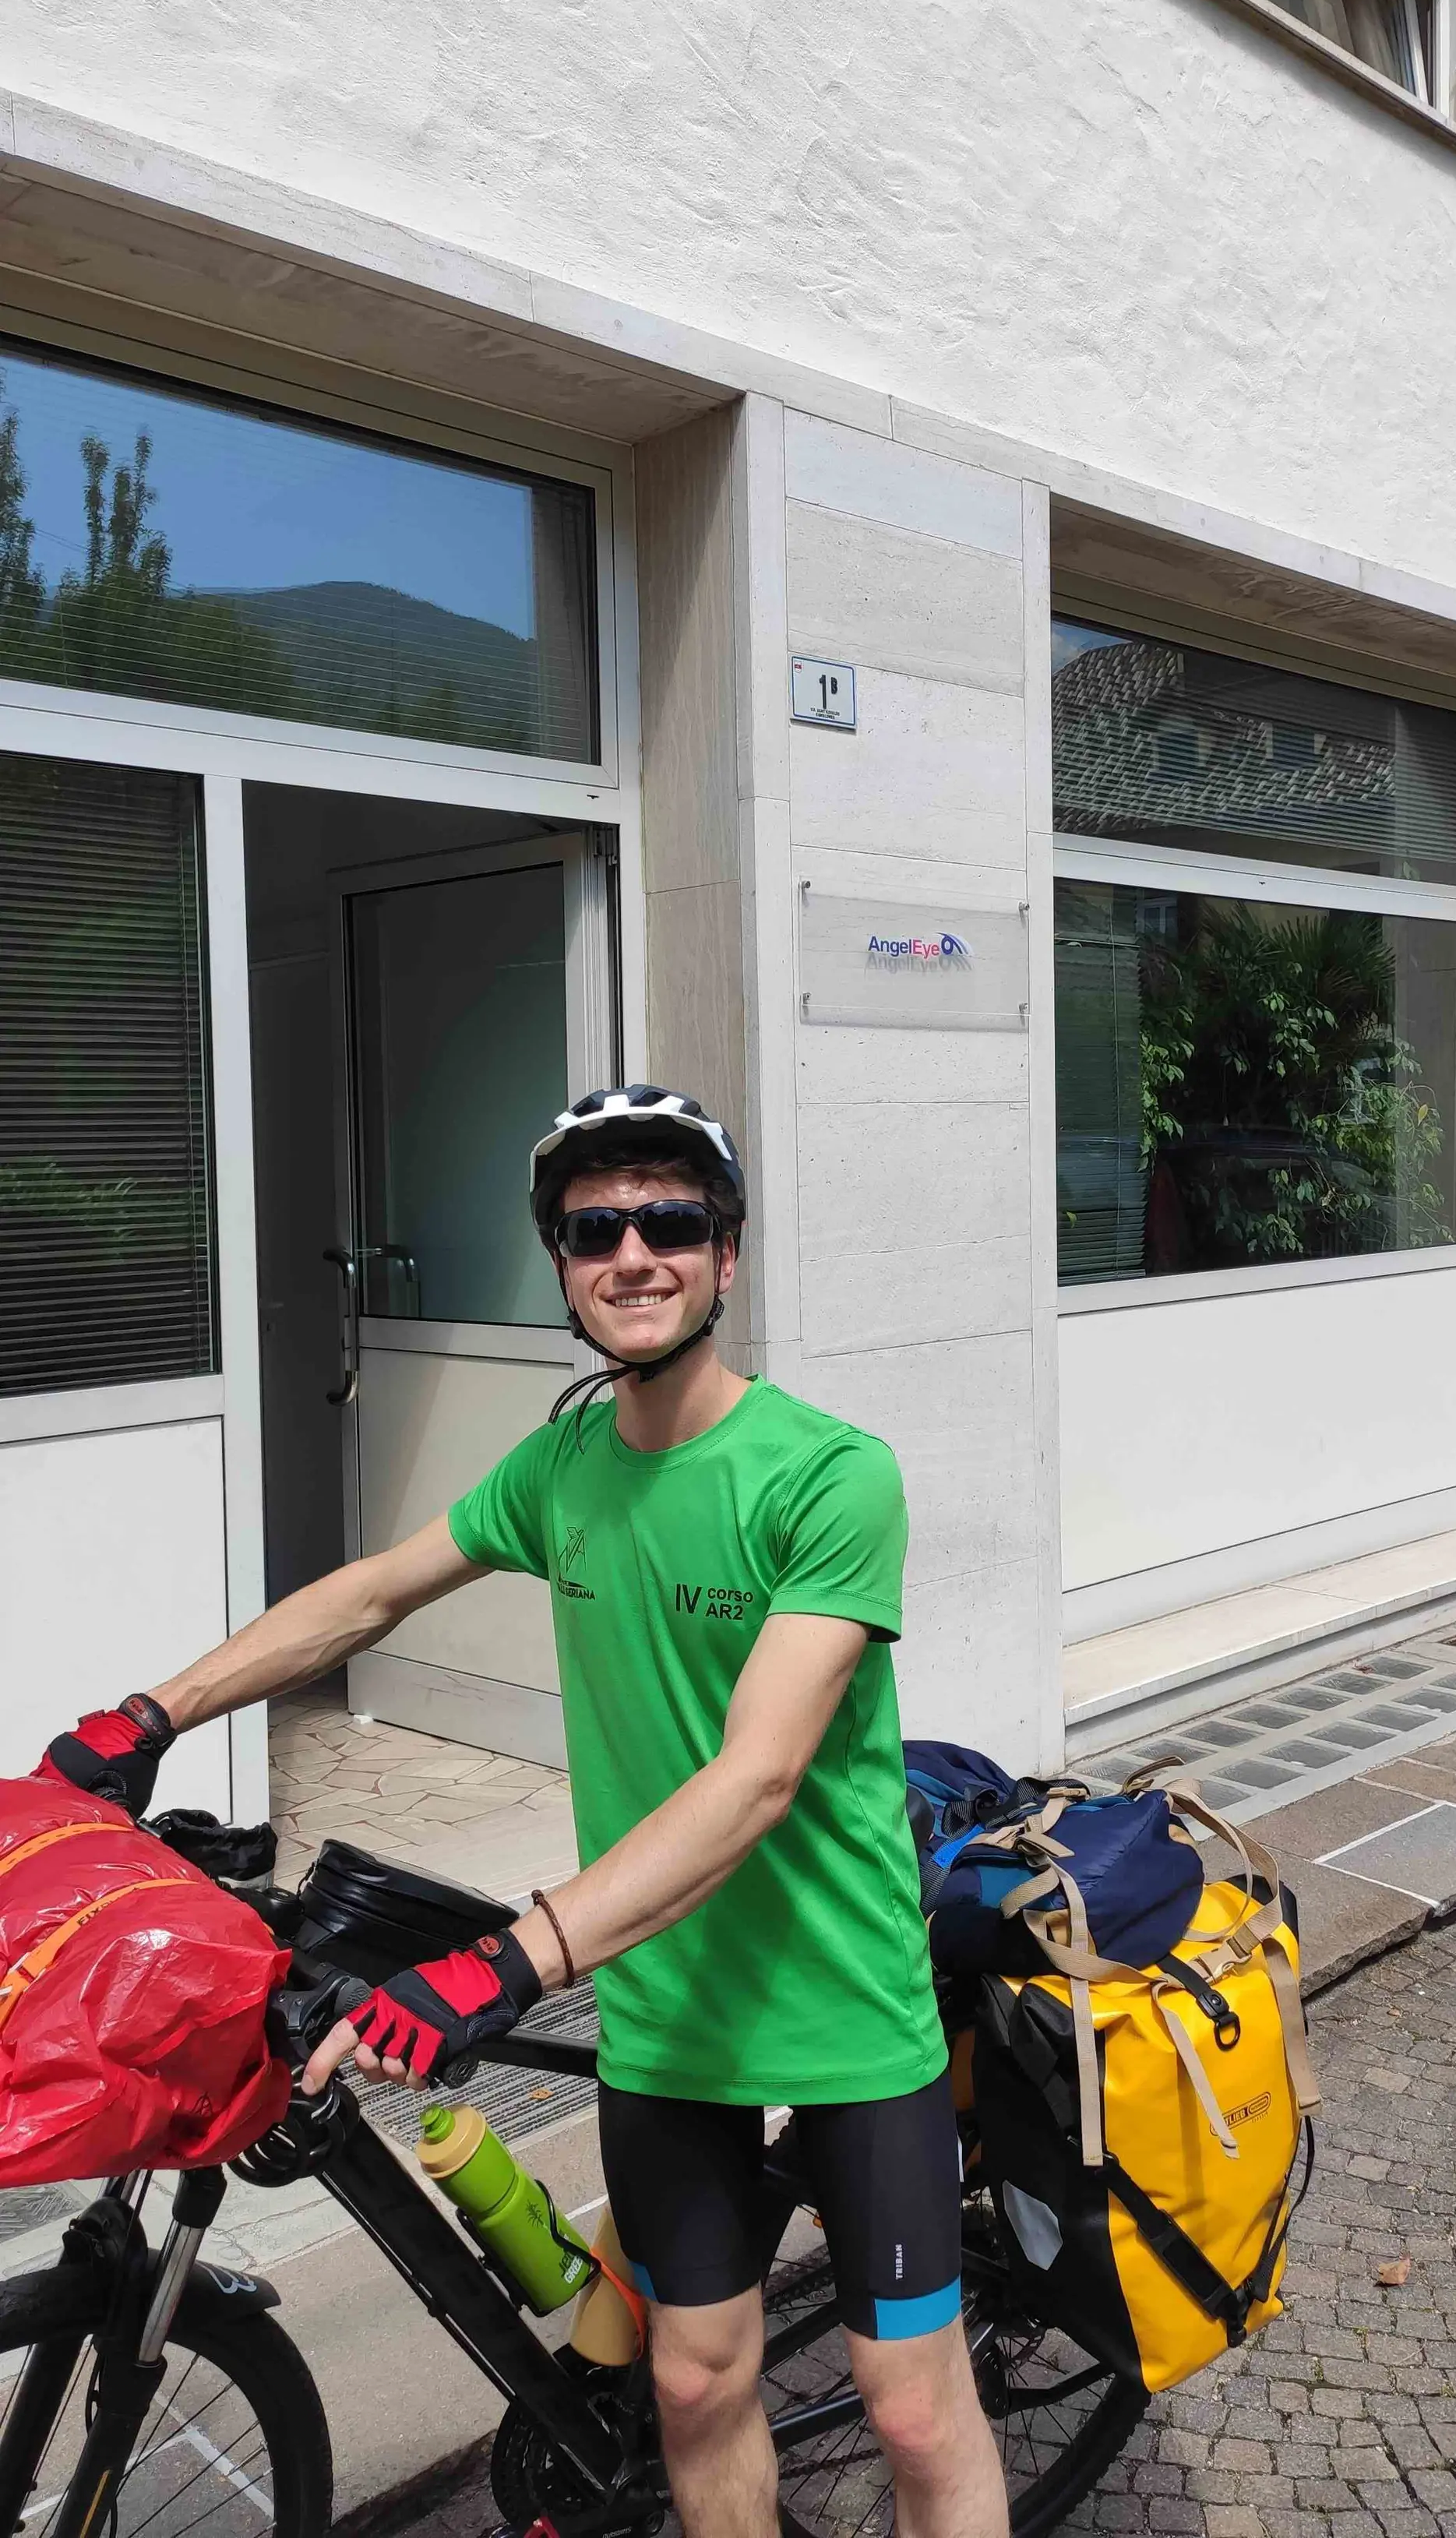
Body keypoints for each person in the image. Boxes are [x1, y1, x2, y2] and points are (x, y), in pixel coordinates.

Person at [39, 1085, 1010, 2538]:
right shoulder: (561, 1470)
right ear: (562, 1265)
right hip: (669, 2016)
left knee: (915, 2408)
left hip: (849, 2003)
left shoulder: (829, 1473)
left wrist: (511, 1958)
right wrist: (152, 1714)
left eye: (670, 1221)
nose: (635, 1254)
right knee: (694, 2384)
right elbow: (371, 1595)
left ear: (726, 1255)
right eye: (595, 1229)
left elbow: (756, 1779)